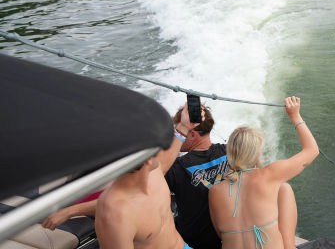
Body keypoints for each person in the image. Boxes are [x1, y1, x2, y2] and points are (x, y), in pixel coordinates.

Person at [209, 96, 318, 249]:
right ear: (258, 152)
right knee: (284, 188)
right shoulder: (269, 175)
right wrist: (295, 115)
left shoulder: (215, 191)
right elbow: (312, 150)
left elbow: (221, 234)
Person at [95, 101, 202, 249]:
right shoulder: (115, 213)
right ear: (148, 159)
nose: (162, 146)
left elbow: (166, 159)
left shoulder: (154, 172)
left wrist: (184, 126)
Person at [165, 104, 228, 249]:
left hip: (192, 243)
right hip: (226, 239)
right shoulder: (232, 153)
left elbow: (154, 174)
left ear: (192, 134)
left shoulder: (176, 168)